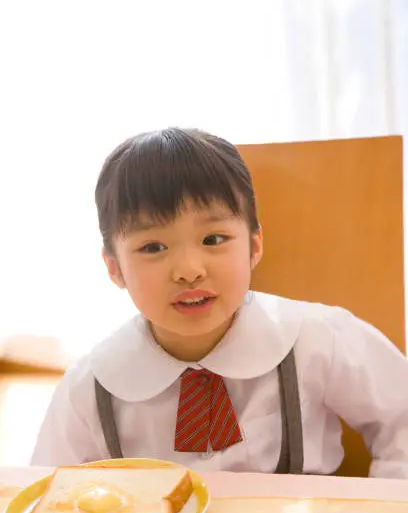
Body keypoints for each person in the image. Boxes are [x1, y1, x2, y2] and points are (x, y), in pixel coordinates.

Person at [31, 127, 408, 477]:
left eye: (213, 240)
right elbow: (46, 493)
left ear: (254, 245)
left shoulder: (318, 338)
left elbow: (401, 416)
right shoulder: (90, 387)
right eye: (153, 247)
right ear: (114, 268)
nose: (189, 271)